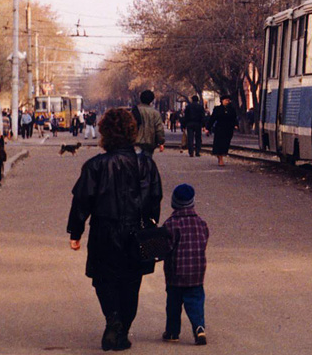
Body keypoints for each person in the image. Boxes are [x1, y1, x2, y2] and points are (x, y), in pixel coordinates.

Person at [67, 108, 163, 352]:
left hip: (104, 230)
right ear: (133, 132)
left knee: (104, 279)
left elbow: (81, 201)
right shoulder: (147, 165)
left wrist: (75, 233)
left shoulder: (95, 166)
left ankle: (113, 320)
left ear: (105, 134)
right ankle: (122, 330)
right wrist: (150, 225)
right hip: (137, 231)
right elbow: (155, 198)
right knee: (132, 282)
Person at [161, 184, 210, 345]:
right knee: (196, 300)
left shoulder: (171, 224)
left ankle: (172, 332)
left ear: (174, 203)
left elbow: (166, 248)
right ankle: (199, 327)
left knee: (173, 304)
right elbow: (204, 241)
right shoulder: (201, 223)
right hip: (196, 272)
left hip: (175, 273)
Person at [133, 90, 166, 157]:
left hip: (136, 141)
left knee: (136, 162)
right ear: (151, 100)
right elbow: (159, 129)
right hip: (149, 142)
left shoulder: (135, 110)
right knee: (147, 162)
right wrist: (161, 141)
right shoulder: (155, 113)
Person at [208, 96, 237, 168]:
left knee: (226, 143)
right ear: (222, 101)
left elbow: (234, 118)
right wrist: (208, 127)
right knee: (219, 144)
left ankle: (221, 155)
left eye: (228, 100)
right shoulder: (217, 109)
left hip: (228, 129)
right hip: (219, 129)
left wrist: (236, 125)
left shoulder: (232, 109)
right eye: (226, 100)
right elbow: (212, 118)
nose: (227, 101)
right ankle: (220, 159)